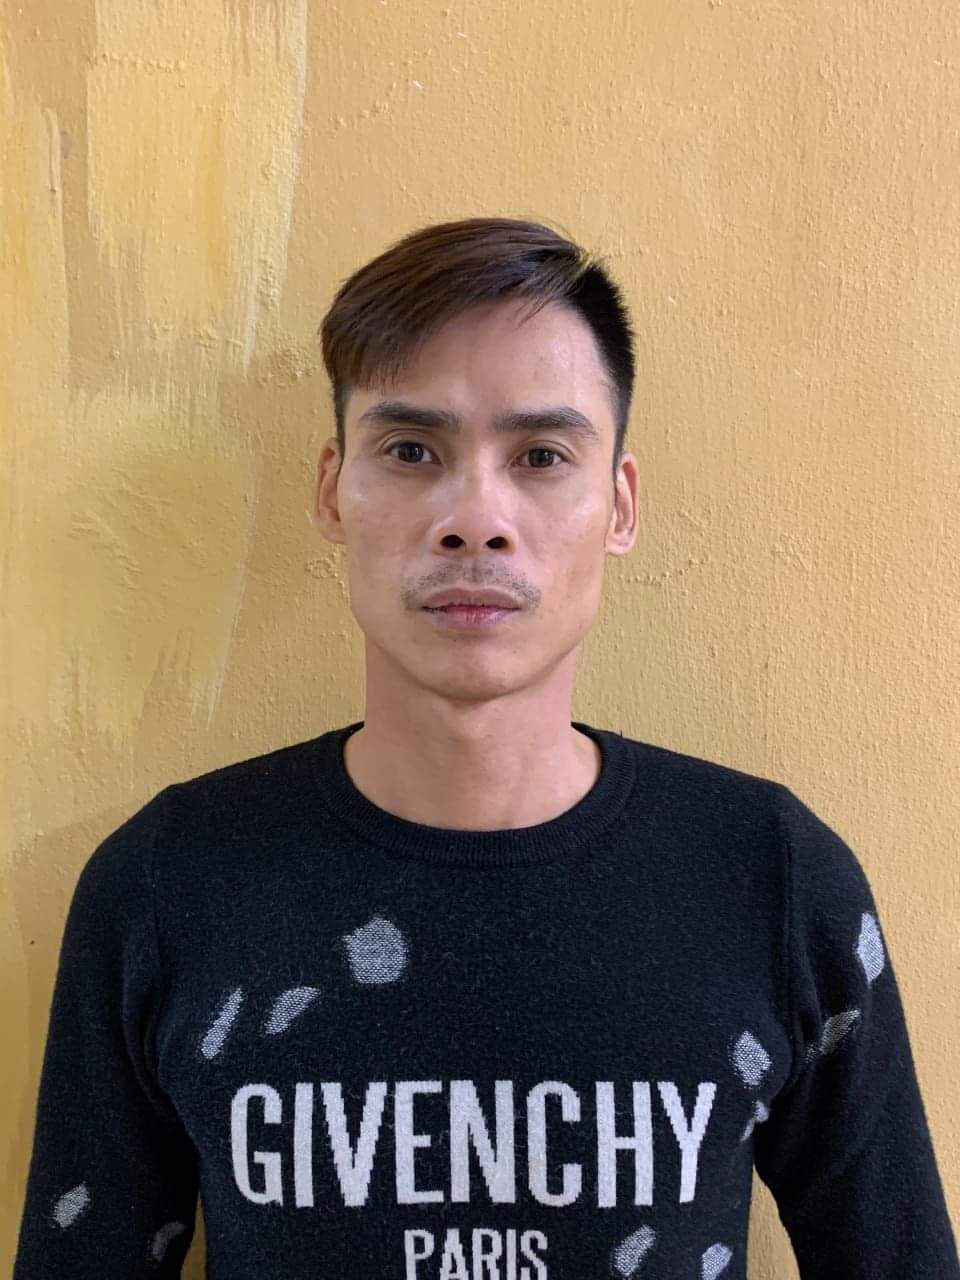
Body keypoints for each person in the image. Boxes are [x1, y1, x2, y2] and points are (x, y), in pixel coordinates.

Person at [13, 217, 959, 1279]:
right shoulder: (169, 884)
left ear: (619, 505)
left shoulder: (770, 876)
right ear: (332, 489)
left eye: (542, 456)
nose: (476, 519)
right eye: (411, 451)